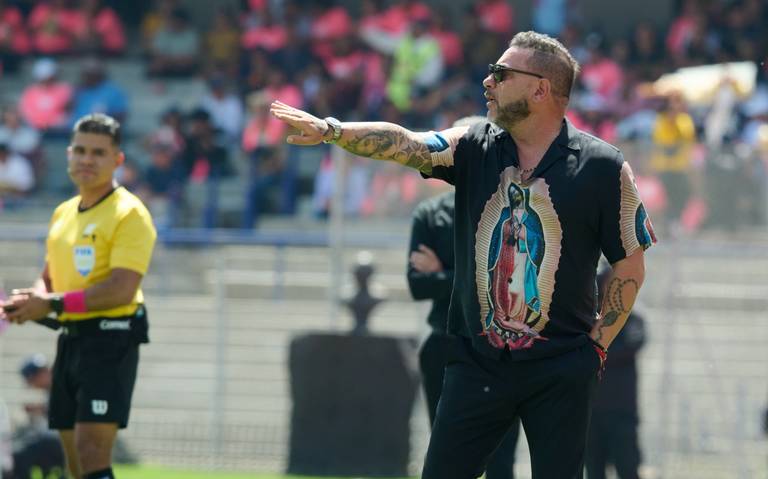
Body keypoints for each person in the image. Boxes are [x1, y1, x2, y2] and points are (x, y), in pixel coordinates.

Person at [271, 30, 655, 478]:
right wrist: (333, 130)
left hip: (561, 367)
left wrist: (597, 345)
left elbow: (630, 263)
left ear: (540, 88)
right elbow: (409, 142)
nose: (487, 82)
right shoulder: (475, 145)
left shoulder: (603, 166)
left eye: (501, 73)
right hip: (477, 365)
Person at [0, 113, 157, 479]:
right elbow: (49, 277)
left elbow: (122, 287)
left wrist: (51, 303)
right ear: (69, 154)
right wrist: (26, 302)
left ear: (118, 160)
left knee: (91, 451)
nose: (87, 159)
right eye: (81, 150)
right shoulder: (63, 213)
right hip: (71, 340)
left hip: (111, 338)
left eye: (99, 152)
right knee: (72, 458)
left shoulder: (129, 213)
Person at [408, 190, 521, 479]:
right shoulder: (431, 214)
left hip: (500, 346)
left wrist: (443, 273)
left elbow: (510, 282)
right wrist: (477, 276)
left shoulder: (508, 211)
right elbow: (418, 285)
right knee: (446, 458)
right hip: (444, 344)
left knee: (501, 459)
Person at [585, 267, 646, 479]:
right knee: (594, 471)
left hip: (622, 414)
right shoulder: (587, 321)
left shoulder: (634, 320)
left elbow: (628, 348)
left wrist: (595, 352)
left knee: (628, 470)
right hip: (592, 414)